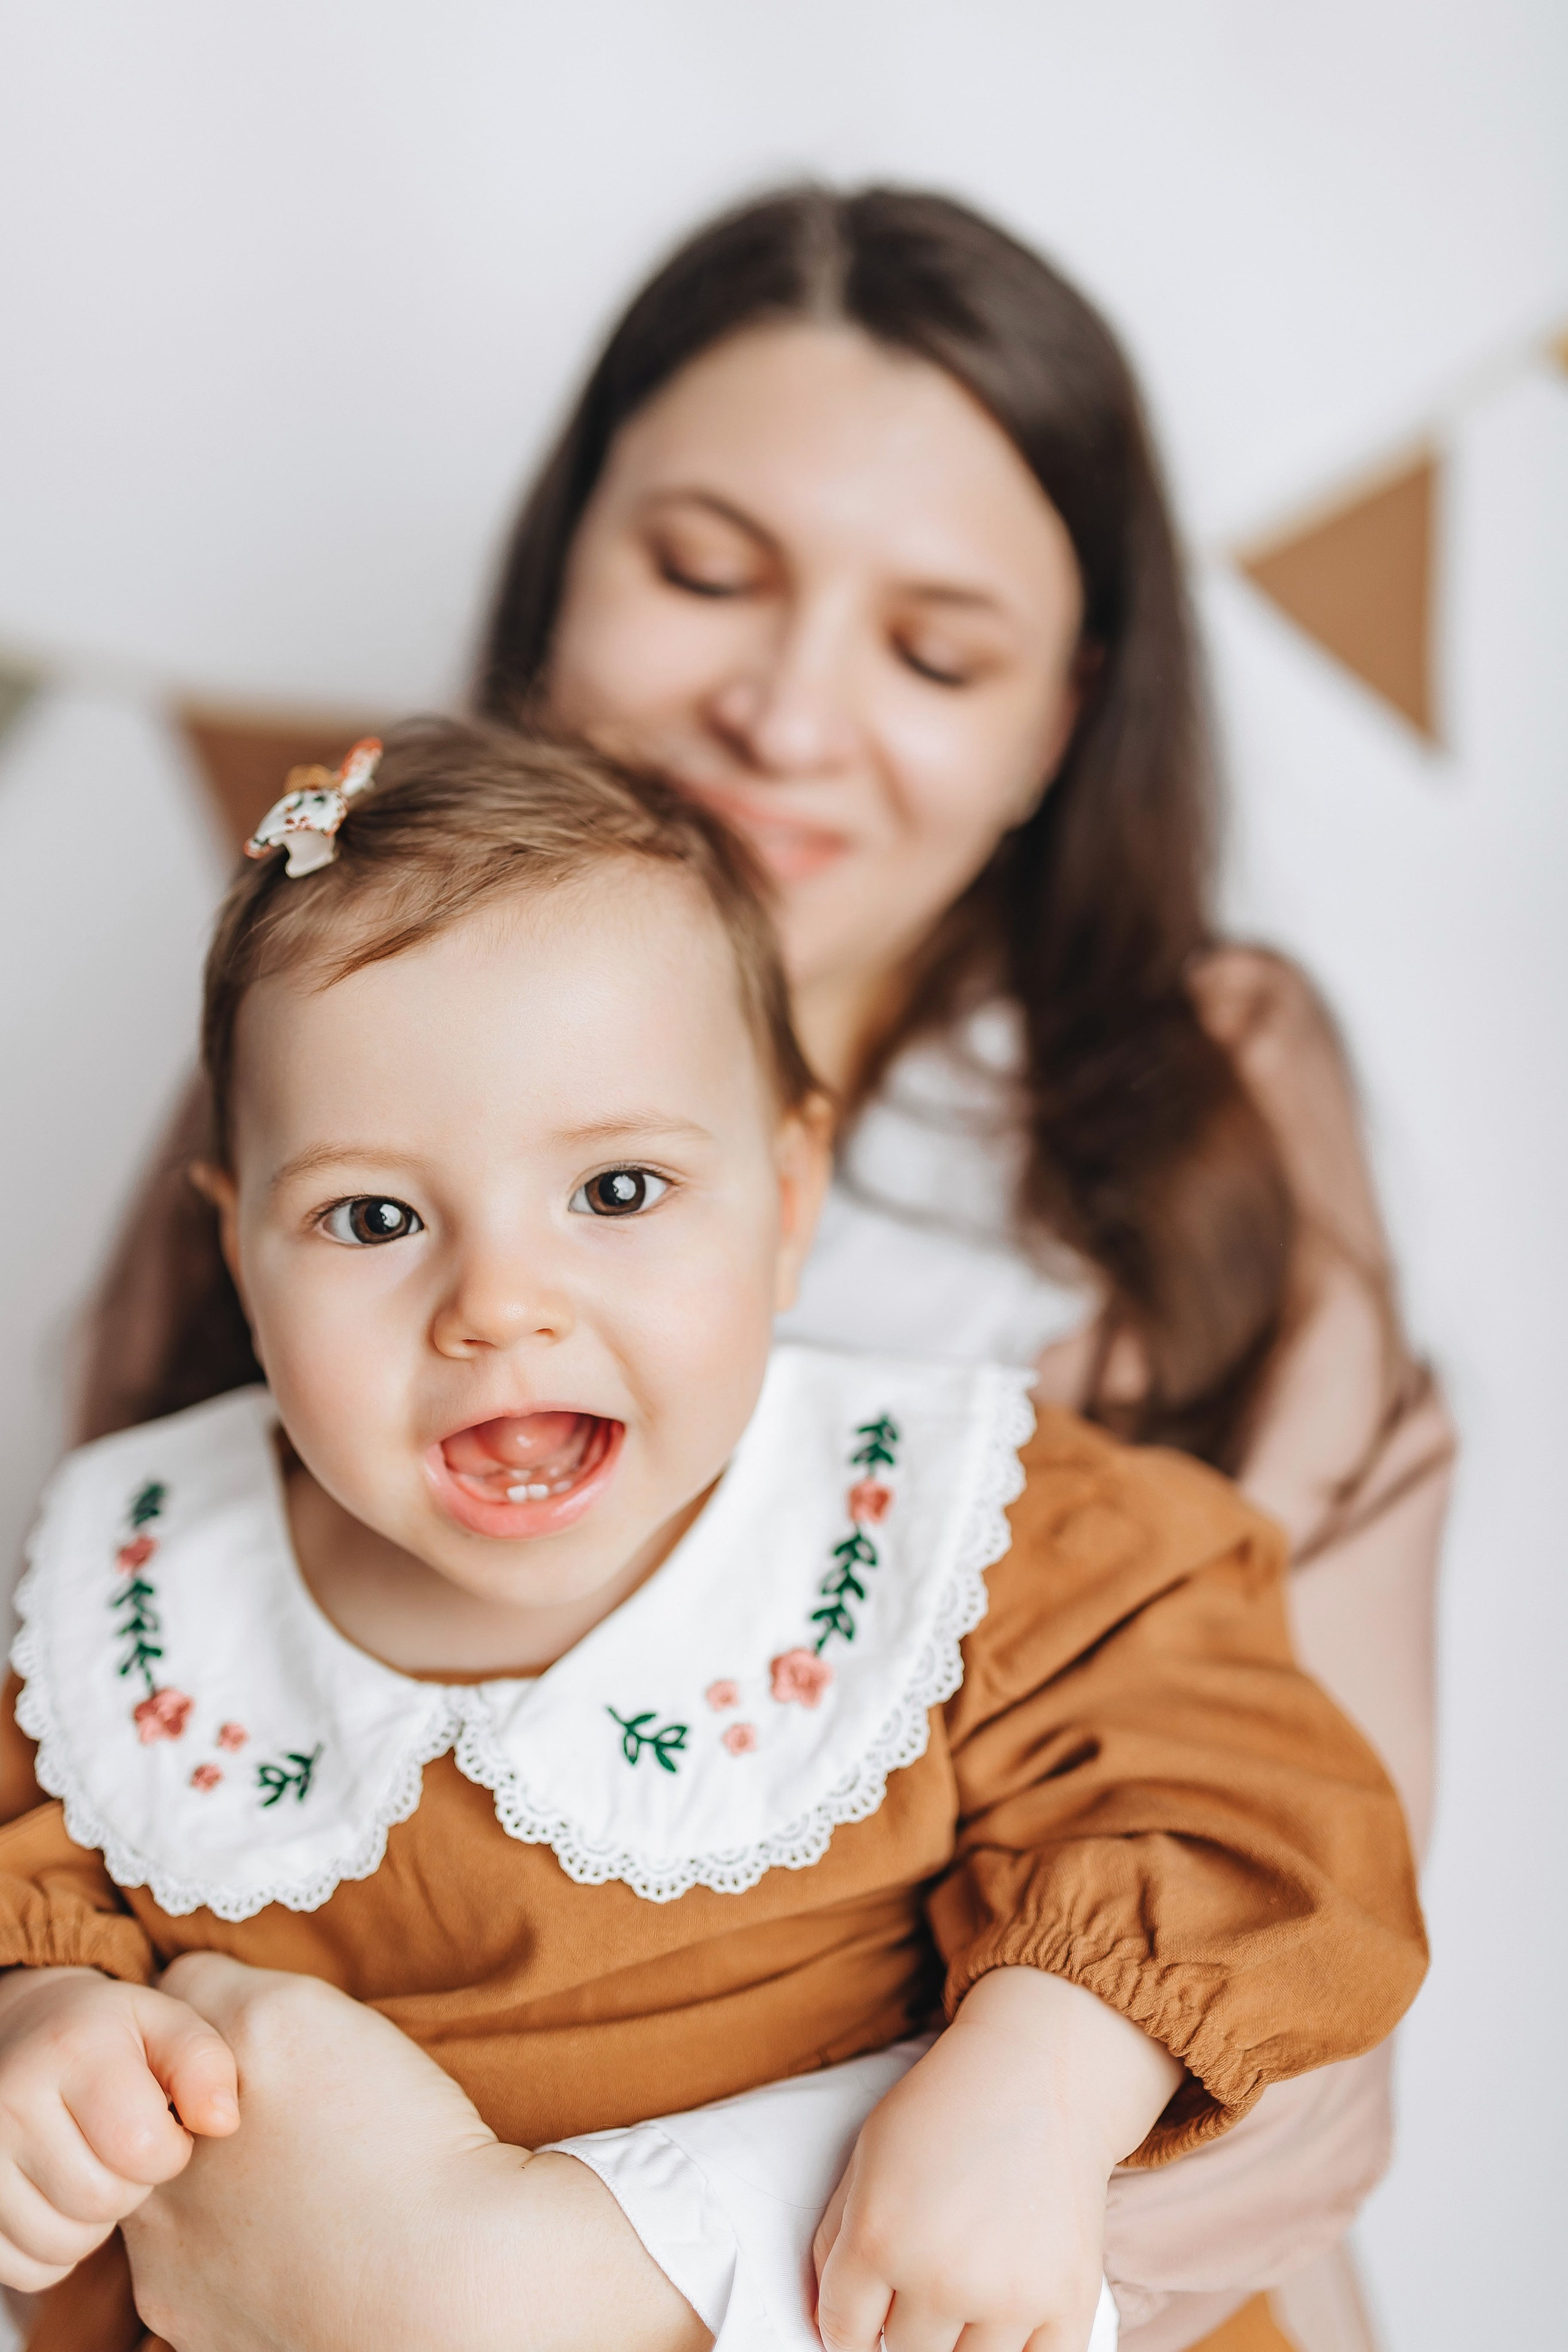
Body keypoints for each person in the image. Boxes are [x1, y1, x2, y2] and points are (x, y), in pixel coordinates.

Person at [73, 187, 1453, 2350]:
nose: (783, 719)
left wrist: (537, 2274)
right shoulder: (336, 1017)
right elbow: (115, 1828)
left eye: (936, 650)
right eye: (703, 575)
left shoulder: (1186, 1138)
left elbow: (1292, 1913)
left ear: (1063, 712)